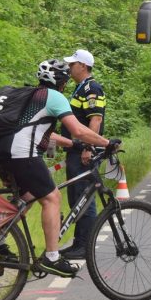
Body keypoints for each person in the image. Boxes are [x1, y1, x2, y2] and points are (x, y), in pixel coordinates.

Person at [0, 59, 113, 277]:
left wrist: (74, 145)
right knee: (52, 198)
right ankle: (52, 258)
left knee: (26, 197)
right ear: (63, 82)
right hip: (21, 154)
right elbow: (79, 130)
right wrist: (107, 143)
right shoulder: (55, 97)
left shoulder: (31, 96)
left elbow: (45, 132)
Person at [52, 49, 107, 260]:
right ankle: (78, 242)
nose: (69, 68)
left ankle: (86, 246)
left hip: (84, 153)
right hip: (75, 151)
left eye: (72, 64)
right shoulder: (80, 88)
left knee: (85, 198)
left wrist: (88, 147)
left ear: (83, 66)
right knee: (76, 198)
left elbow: (95, 120)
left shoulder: (92, 88)